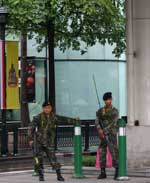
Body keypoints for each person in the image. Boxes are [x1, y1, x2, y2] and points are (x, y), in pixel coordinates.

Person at [29, 101, 80, 181]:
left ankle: (59, 175)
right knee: (39, 159)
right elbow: (31, 128)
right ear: (43, 108)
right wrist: (31, 139)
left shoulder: (54, 117)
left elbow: (64, 119)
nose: (47, 109)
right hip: (39, 142)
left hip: (50, 142)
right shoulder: (38, 117)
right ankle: (41, 175)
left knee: (53, 159)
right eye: (45, 108)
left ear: (51, 108)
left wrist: (74, 120)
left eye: (49, 108)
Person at [95, 92, 119, 180]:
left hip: (111, 134)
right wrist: (99, 129)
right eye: (106, 100)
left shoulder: (115, 111)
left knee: (114, 152)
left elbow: (114, 123)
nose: (107, 101)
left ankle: (117, 171)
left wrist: (104, 131)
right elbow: (97, 120)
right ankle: (102, 172)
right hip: (102, 135)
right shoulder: (101, 111)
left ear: (111, 100)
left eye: (109, 99)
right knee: (102, 152)